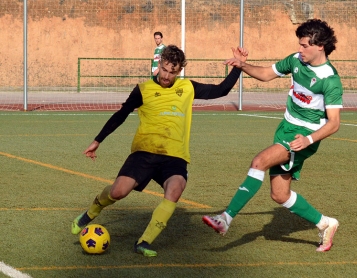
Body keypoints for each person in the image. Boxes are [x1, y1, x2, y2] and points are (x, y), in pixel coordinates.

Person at [71, 44, 248, 257]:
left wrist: (238, 66)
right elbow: (121, 114)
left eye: (172, 72)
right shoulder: (143, 89)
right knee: (118, 192)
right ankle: (91, 212)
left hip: (174, 156)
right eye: (164, 70)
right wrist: (97, 140)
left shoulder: (188, 88)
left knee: (176, 188)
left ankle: (144, 242)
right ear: (159, 64)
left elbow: (221, 90)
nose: (167, 75)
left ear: (179, 70)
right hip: (144, 152)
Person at [202, 19, 343, 252]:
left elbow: (335, 123)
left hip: (304, 137)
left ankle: (225, 219)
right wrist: (241, 65)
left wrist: (308, 140)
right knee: (279, 195)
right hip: (286, 129)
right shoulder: (296, 60)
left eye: (305, 45)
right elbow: (267, 74)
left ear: (321, 46)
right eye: (299, 44)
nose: (300, 50)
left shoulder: (330, 79)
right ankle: (326, 223)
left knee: (259, 162)